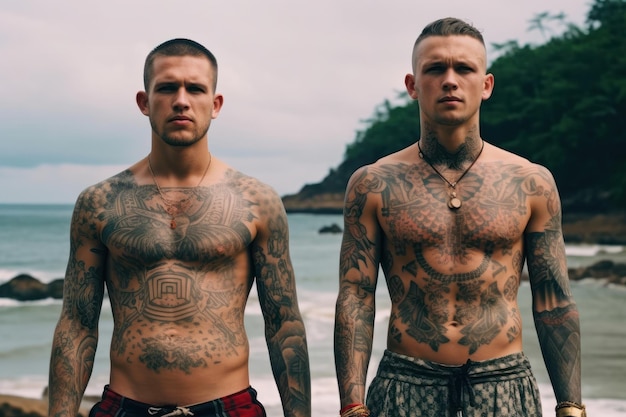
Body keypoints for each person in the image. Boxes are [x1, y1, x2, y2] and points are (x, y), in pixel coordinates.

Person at [333, 17, 585, 417]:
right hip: (405, 383)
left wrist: (571, 405)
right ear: (413, 85)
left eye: (464, 68)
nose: (450, 80)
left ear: (485, 85)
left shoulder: (530, 182)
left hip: (502, 384)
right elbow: (356, 297)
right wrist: (352, 404)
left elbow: (553, 301)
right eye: (435, 69)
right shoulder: (372, 184)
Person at [48, 38, 311, 417]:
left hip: (228, 407)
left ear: (215, 104)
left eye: (196, 89)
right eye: (168, 87)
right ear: (144, 101)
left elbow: (284, 322)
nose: (182, 100)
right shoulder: (100, 202)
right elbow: (76, 323)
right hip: (126, 407)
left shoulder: (255, 200)